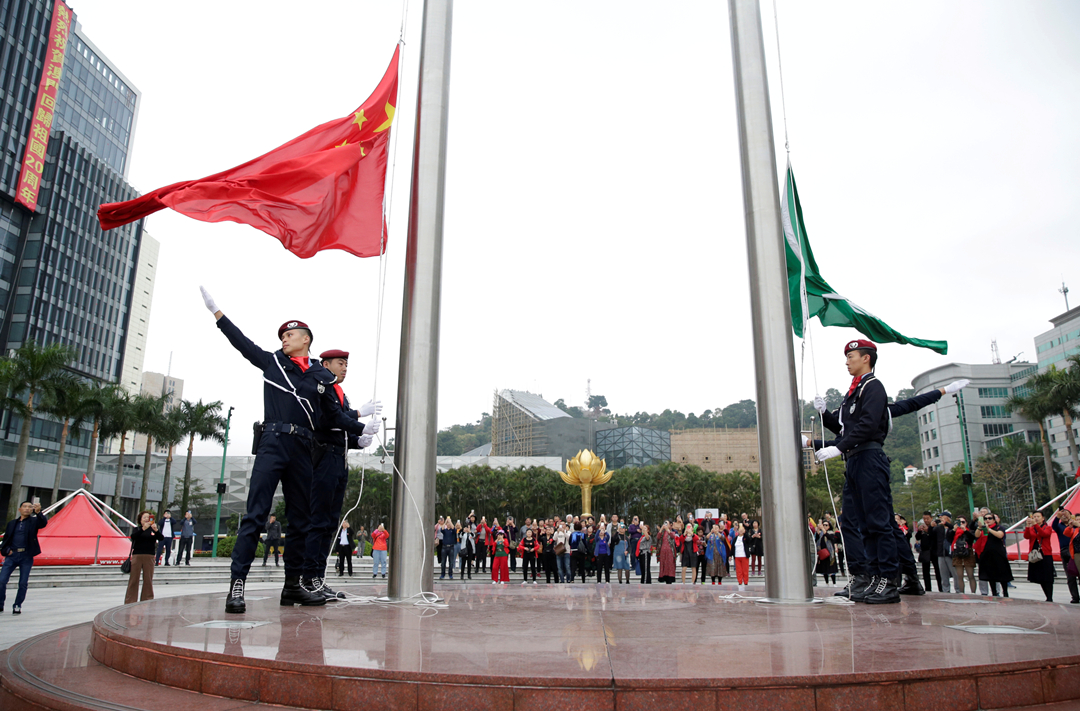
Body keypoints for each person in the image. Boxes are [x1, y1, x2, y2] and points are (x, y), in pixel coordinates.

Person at [201, 287, 365, 612]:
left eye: (290, 334)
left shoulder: (321, 375)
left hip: (304, 447)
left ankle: (293, 587)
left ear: (306, 339)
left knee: (301, 520)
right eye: (283, 336)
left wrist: (361, 429)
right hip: (273, 443)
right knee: (255, 514)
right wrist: (219, 316)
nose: (284, 339)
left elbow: (332, 415)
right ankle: (237, 586)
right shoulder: (273, 362)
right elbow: (243, 344)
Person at [813, 340, 959, 605]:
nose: (847, 361)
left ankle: (888, 580)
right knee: (862, 525)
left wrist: (838, 448)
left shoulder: (873, 387)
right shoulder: (852, 395)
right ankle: (872, 578)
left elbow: (869, 425)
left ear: (866, 359)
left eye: (851, 356)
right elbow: (843, 428)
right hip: (854, 460)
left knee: (879, 524)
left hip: (869, 458)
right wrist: (825, 414)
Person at [306, 348, 377, 599]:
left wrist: (360, 440)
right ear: (325, 364)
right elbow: (328, 421)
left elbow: (341, 430)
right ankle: (309, 578)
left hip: (338, 458)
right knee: (319, 521)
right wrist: (359, 417)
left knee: (329, 524)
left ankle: (318, 578)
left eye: (346, 364)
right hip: (323, 458)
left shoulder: (339, 393)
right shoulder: (321, 389)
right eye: (340, 363)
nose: (345, 367)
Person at [0, 500, 48, 614]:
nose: (27, 508)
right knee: (1, 581)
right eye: (24, 506)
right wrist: (6, 551)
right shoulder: (12, 523)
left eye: (29, 507)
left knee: (23, 582)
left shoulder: (34, 521)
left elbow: (43, 523)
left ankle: (17, 605)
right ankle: (0, 604)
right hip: (12, 555)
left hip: (26, 556)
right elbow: (6, 539)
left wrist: (39, 512)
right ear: (19, 509)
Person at [125, 511, 164, 604]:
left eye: (148, 517)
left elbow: (161, 538)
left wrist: (156, 530)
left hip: (149, 556)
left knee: (148, 579)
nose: (146, 519)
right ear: (140, 520)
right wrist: (142, 529)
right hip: (137, 555)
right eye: (144, 517)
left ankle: (147, 599)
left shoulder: (153, 530)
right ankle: (130, 600)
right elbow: (133, 537)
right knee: (134, 579)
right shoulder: (137, 529)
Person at [976, 513, 1012, 597]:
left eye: (990, 518)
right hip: (987, 554)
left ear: (994, 519)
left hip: (998, 554)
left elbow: (1000, 535)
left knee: (1002, 574)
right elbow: (977, 535)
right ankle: (994, 592)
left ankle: (1005, 592)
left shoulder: (999, 527)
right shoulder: (983, 528)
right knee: (990, 575)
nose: (987, 520)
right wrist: (980, 527)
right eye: (985, 518)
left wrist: (989, 529)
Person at [1023, 511, 1056, 602]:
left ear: (1043, 518)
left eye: (1038, 516)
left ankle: (1049, 596)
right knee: (1040, 576)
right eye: (1034, 516)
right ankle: (1046, 595)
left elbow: (1044, 534)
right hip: (1035, 554)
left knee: (1047, 576)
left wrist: (1036, 525)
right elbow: (1026, 536)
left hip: (1045, 554)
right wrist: (1028, 526)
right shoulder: (1032, 528)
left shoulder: (1047, 527)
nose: (1036, 518)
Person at [1050, 508, 1080, 604]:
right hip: (1066, 551)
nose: (1064, 516)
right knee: (1070, 576)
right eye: (1062, 515)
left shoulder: (1076, 527)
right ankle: (1075, 596)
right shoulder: (1060, 526)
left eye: (1066, 514)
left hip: (1076, 551)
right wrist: (1057, 517)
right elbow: (1054, 526)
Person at [951, 516, 978, 594]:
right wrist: (954, 530)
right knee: (959, 576)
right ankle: (961, 593)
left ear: (966, 523)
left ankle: (973, 592)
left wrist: (965, 530)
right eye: (959, 522)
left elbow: (972, 538)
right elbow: (949, 538)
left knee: (970, 575)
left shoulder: (970, 531)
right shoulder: (954, 532)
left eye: (963, 522)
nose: (961, 524)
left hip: (968, 554)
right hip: (957, 555)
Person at [935, 511, 957, 593]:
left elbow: (954, 531)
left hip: (951, 554)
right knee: (943, 575)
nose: (941, 518)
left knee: (955, 574)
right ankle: (945, 590)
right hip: (941, 553)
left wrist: (947, 524)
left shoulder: (952, 527)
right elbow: (933, 532)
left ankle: (958, 590)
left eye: (942, 517)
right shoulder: (939, 528)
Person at [439, 513, 457, 580]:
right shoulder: (445, 530)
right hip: (444, 547)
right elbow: (442, 528)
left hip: (451, 547)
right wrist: (446, 521)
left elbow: (453, 527)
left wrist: (450, 521)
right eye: (448, 523)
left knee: (451, 562)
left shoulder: (453, 531)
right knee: (443, 562)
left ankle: (450, 574)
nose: (449, 524)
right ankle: (442, 574)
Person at [733, 523, 751, 589]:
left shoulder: (745, 538)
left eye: (742, 530)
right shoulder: (735, 539)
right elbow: (733, 547)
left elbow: (749, 540)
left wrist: (744, 532)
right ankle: (740, 581)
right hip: (737, 556)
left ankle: (746, 581)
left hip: (744, 556)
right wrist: (731, 555)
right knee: (739, 570)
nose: (740, 531)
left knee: (745, 570)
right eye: (739, 530)